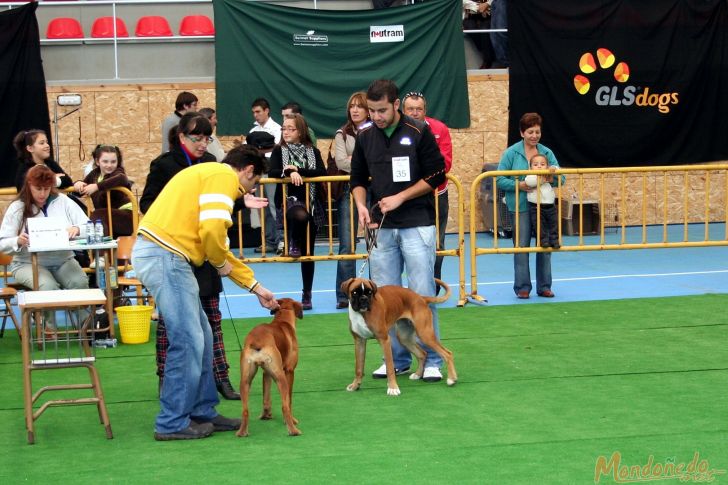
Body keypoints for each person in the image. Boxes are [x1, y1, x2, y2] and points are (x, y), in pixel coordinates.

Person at [133, 145, 277, 441]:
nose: (247, 191)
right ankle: (171, 422)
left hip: (166, 255)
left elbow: (217, 248)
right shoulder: (223, 177)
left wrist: (256, 288)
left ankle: (202, 411)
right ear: (249, 171)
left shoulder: (209, 174)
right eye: (254, 182)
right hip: (165, 256)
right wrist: (222, 263)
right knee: (187, 339)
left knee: (203, 337)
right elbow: (213, 235)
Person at [350, 79, 447, 382]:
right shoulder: (365, 136)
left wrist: (401, 196)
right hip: (382, 227)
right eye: (372, 111)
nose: (376, 116)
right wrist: (362, 206)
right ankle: (397, 359)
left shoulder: (419, 131)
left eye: (381, 110)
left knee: (421, 293)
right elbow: (356, 179)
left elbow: (436, 175)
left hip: (417, 223)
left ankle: (431, 360)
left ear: (395, 105)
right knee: (382, 297)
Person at [141, 112, 241, 401]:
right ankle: (165, 377)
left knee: (212, 316)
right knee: (170, 321)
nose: (202, 143)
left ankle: (220, 376)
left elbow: (222, 207)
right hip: (174, 252)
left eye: (207, 138)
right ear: (181, 136)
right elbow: (148, 203)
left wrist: (240, 201)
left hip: (205, 252)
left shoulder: (212, 163)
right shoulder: (163, 165)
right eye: (196, 138)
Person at [0, 165, 90, 334]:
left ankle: (85, 325)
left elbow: (88, 225)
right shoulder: (17, 207)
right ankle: (49, 327)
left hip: (63, 259)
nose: (42, 194)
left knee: (80, 282)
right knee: (48, 287)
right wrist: (17, 241)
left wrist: (77, 229)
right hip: (26, 262)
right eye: (38, 189)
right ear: (28, 186)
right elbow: (2, 242)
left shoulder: (64, 201)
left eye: (46, 189)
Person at [496, 112, 563, 299]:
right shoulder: (510, 153)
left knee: (545, 246)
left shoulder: (547, 153)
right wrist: (519, 185)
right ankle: (523, 287)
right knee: (521, 247)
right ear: (522, 133)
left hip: (545, 208)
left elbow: (561, 177)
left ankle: (544, 286)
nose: (534, 136)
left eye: (537, 132)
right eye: (530, 132)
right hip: (521, 207)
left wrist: (551, 178)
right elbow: (499, 179)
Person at [269, 113, 326, 310]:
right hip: (289, 201)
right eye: (284, 128)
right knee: (299, 214)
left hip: (312, 202)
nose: (286, 132)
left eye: (290, 129)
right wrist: (288, 171)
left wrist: (299, 170)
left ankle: (307, 293)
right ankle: (293, 239)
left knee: (308, 253)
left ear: (301, 131)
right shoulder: (279, 151)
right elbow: (272, 172)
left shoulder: (313, 151)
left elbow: (321, 172)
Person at [402, 91, 453, 295]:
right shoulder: (394, 130)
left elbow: (445, 164)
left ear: (425, 110)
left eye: (419, 109)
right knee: (406, 243)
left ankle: (433, 287)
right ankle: (408, 290)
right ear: (403, 110)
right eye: (410, 109)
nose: (415, 112)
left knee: (437, 242)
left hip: (436, 195)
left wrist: (416, 169)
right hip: (404, 196)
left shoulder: (440, 129)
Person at [333, 92, 372, 309]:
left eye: (360, 106)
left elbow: (375, 160)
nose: (355, 110)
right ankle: (344, 294)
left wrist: (354, 160)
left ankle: (375, 290)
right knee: (346, 244)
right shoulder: (342, 133)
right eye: (352, 106)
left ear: (368, 110)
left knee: (373, 243)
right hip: (348, 189)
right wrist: (361, 162)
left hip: (374, 189)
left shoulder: (376, 131)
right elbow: (340, 162)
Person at [73, 145, 134, 238]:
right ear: (97, 162)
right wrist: (78, 183)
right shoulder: (94, 174)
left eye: (113, 162)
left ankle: (101, 249)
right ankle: (101, 250)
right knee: (96, 216)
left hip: (127, 215)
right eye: (105, 161)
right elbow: (82, 189)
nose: (109, 165)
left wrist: (97, 186)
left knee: (97, 215)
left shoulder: (118, 172)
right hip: (107, 216)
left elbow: (122, 178)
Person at [248, 97, 282, 254]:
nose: (256, 115)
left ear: (267, 110)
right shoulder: (252, 131)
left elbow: (276, 152)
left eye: (258, 111)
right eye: (254, 112)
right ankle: (269, 241)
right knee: (263, 207)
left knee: (274, 206)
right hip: (258, 173)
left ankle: (281, 240)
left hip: (272, 172)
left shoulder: (277, 129)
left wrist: (261, 153)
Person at [525, 154, 560, 250]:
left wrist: (553, 168)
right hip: (535, 207)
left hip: (550, 205)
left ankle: (554, 240)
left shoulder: (549, 172)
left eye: (542, 164)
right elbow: (530, 182)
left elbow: (558, 170)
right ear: (531, 167)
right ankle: (543, 240)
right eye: (535, 165)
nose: (539, 166)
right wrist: (542, 179)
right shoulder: (530, 175)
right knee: (539, 225)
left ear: (547, 166)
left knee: (554, 224)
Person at [463, 0, 495, 69]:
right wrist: (477, 7)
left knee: (484, 31)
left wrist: (487, 4)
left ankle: (487, 60)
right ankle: (486, 50)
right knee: (470, 29)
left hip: (488, 13)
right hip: (470, 12)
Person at [490, 0, 508, 68]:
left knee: (501, 30)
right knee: (494, 35)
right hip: (495, 2)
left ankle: (507, 62)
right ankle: (503, 63)